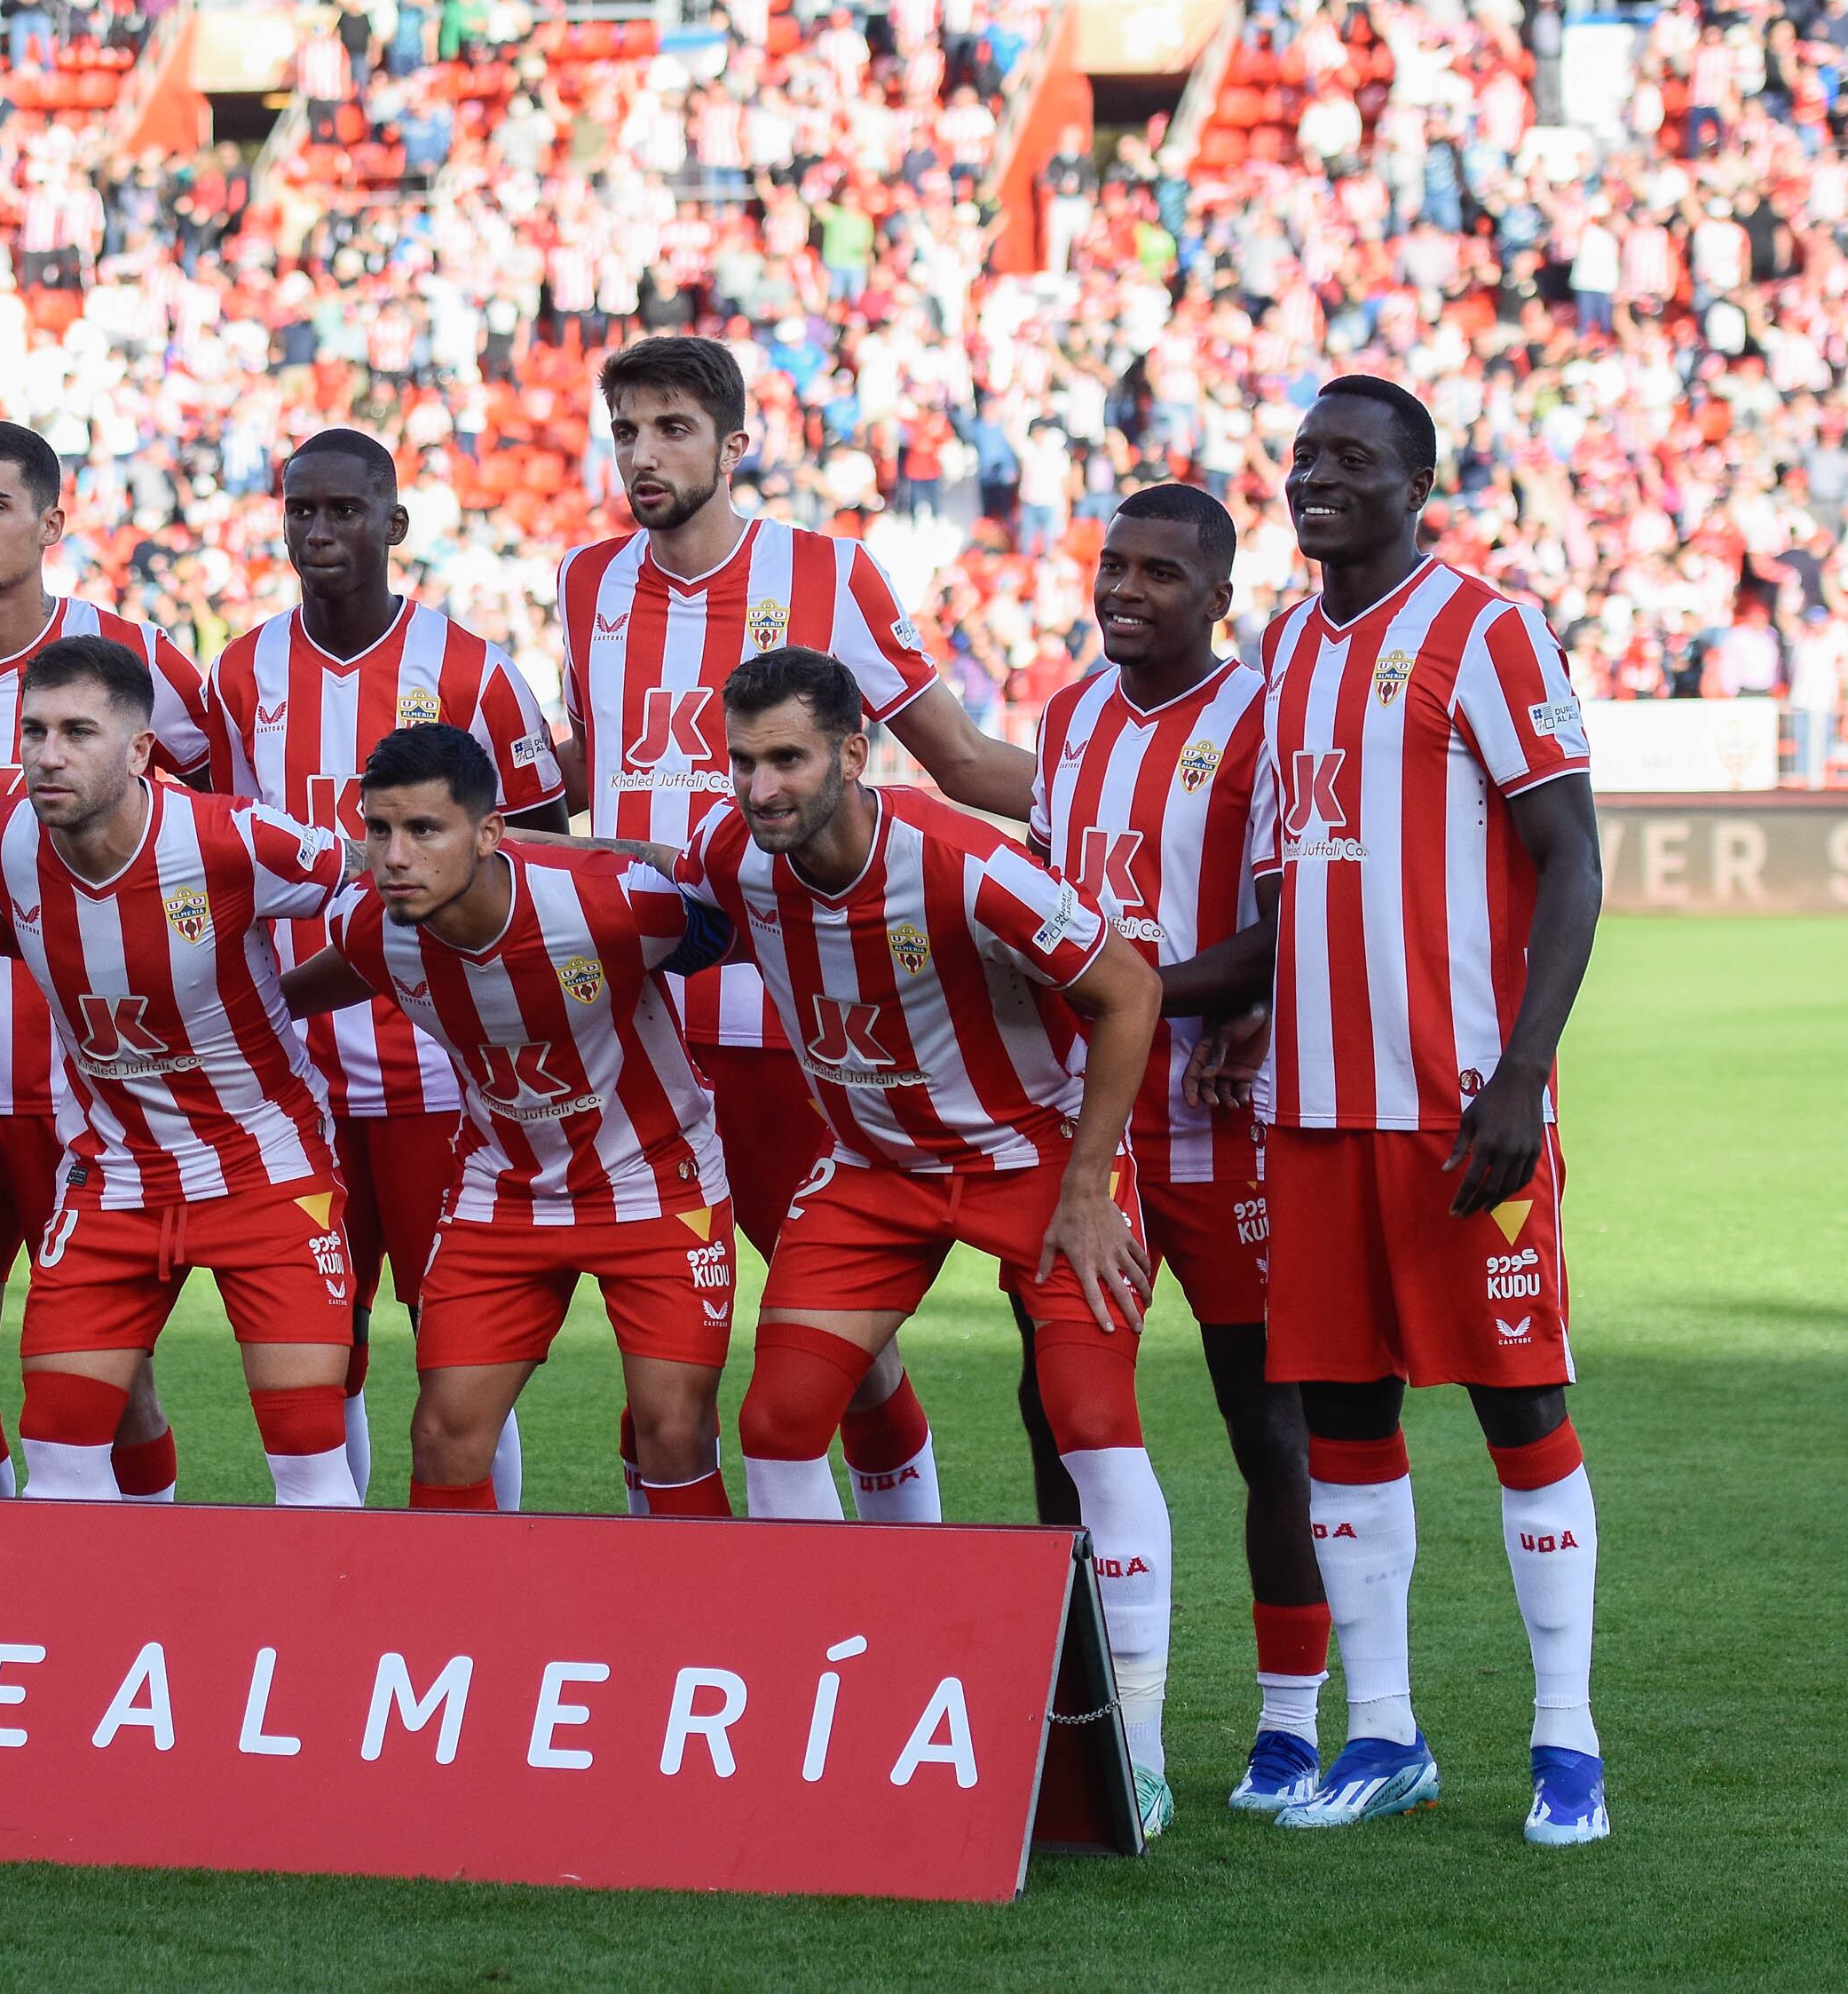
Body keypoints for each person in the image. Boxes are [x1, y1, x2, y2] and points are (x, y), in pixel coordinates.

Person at [1186, 377, 1609, 1846]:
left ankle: (1567, 1741)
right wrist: (1185, 999)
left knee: (1520, 1403)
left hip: (1459, 1110)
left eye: (1354, 458)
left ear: (1419, 482)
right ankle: (1386, 1733)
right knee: (1345, 1418)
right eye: (1304, 455)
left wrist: (1522, 1074)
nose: (1318, 477)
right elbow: (1291, 902)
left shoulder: (1485, 629)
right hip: (1310, 1111)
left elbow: (1572, 859)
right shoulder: (1287, 648)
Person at [681, 647, 1178, 1839]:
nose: (758, 787)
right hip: (870, 1175)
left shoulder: (963, 862)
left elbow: (1127, 991)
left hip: (1030, 1163)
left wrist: (1084, 1189)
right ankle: (842, 1703)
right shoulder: (728, 856)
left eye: (786, 758)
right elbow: (654, 881)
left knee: (1091, 1425)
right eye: (741, 761)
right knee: (778, 1421)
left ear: (852, 755)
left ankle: (1137, 1752)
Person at [560, 335, 1032, 1516]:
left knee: (845, 1351)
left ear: (733, 445)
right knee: (659, 1363)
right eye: (624, 430)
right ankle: (712, 1633)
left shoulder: (830, 574)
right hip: (628, 1030)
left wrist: (1126, 811)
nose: (642, 454)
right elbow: (586, 778)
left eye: (670, 429)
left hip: (785, 1024)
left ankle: (893, 1579)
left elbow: (962, 761)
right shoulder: (586, 583)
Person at [1021, 482, 1331, 1816]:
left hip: (1214, 1124)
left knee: (1265, 1421)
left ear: (1217, 595)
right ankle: (1077, 1709)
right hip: (1084, 1128)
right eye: (1110, 566)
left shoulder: (1260, 717)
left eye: (1156, 572)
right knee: (1052, 1418)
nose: (1122, 591)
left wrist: (1183, 999)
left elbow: (1279, 928)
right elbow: (1038, 907)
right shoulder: (1066, 715)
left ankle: (1285, 1722)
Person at [0, 420, 221, 1502]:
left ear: (51, 520)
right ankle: (0, 1575)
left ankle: (137, 1567)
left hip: (86, 1074)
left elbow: (211, 820)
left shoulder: (137, 657)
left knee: (118, 1373)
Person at [210, 429, 570, 1502]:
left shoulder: (469, 670)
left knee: (458, 1349)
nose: (319, 531)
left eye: (344, 511)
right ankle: (346, 1591)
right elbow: (227, 846)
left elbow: (542, 848)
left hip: (436, 1073)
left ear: (392, 523)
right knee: (322, 1351)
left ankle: (480, 1577)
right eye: (301, 511)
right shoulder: (241, 672)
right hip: (291, 1077)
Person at [282, 725, 740, 1515]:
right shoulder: (371, 926)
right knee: (443, 1436)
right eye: (379, 829)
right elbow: (335, 978)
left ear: (490, 832)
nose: (393, 857)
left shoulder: (610, 903)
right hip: (504, 1194)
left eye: (424, 829)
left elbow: (737, 919)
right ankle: (462, 1633)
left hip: (655, 1180)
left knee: (673, 1431)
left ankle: (684, 1627)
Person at [0, 637, 362, 1506]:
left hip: (264, 1167)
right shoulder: (4, 839)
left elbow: (387, 874)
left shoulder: (230, 839)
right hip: (113, 1178)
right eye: (32, 730)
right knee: (58, 1461)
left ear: (140, 750)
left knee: (306, 1457)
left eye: (76, 730)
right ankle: (105, 1635)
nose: (47, 754)